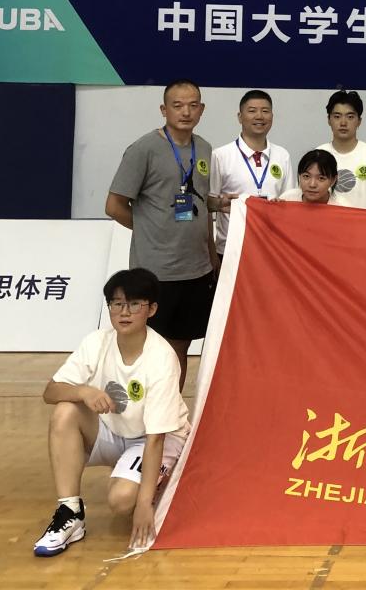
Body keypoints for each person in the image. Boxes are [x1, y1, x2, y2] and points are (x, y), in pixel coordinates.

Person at [33, 268, 190, 557]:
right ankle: (70, 511)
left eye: (134, 304)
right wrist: (84, 392)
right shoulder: (96, 342)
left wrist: (143, 504)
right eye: (117, 304)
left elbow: (156, 438)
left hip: (153, 439)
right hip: (113, 430)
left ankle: (161, 485)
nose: (124, 312)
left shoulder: (162, 358)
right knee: (65, 411)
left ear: (152, 309)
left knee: (121, 501)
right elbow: (50, 392)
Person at [106, 79, 216, 388]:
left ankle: (171, 410)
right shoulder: (143, 149)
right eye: (177, 105)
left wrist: (212, 257)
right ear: (163, 109)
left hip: (195, 268)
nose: (186, 112)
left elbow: (200, 203)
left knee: (180, 346)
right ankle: (140, 409)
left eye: (193, 105)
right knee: (150, 346)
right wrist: (149, 229)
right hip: (156, 271)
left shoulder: (204, 148)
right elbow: (114, 205)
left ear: (202, 110)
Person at [208, 90, 292, 258]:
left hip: (272, 249)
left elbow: (289, 203)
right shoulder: (220, 155)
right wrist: (210, 250)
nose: (259, 116)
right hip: (231, 251)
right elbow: (209, 205)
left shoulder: (282, 155)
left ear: (272, 116)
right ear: (240, 117)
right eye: (252, 111)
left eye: (265, 111)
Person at [317, 90, 366, 210]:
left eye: (350, 117)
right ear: (329, 120)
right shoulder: (317, 156)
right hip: (325, 222)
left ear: (359, 121)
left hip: (364, 222)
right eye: (337, 116)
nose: (343, 123)